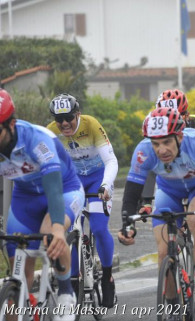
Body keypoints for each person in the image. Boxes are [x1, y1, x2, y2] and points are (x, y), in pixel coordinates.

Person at [117, 107, 195, 318]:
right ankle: (173, 305)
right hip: (168, 191)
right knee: (164, 250)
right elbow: (131, 194)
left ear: (180, 136)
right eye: (156, 144)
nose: (161, 150)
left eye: (167, 142)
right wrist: (126, 225)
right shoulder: (143, 150)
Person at [0, 89, 84, 321]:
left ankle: (67, 293)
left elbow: (54, 188)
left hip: (64, 189)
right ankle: (23, 303)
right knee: (17, 260)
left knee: (50, 235)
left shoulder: (37, 139)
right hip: (25, 197)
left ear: (11, 124)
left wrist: (58, 228)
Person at [47, 93, 118, 307]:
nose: (65, 124)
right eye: (59, 120)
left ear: (77, 114)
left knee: (97, 227)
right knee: (70, 230)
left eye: (69, 117)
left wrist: (106, 185)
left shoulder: (91, 124)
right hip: (73, 181)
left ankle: (107, 277)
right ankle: (74, 278)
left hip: (98, 179)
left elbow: (111, 160)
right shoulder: (51, 132)